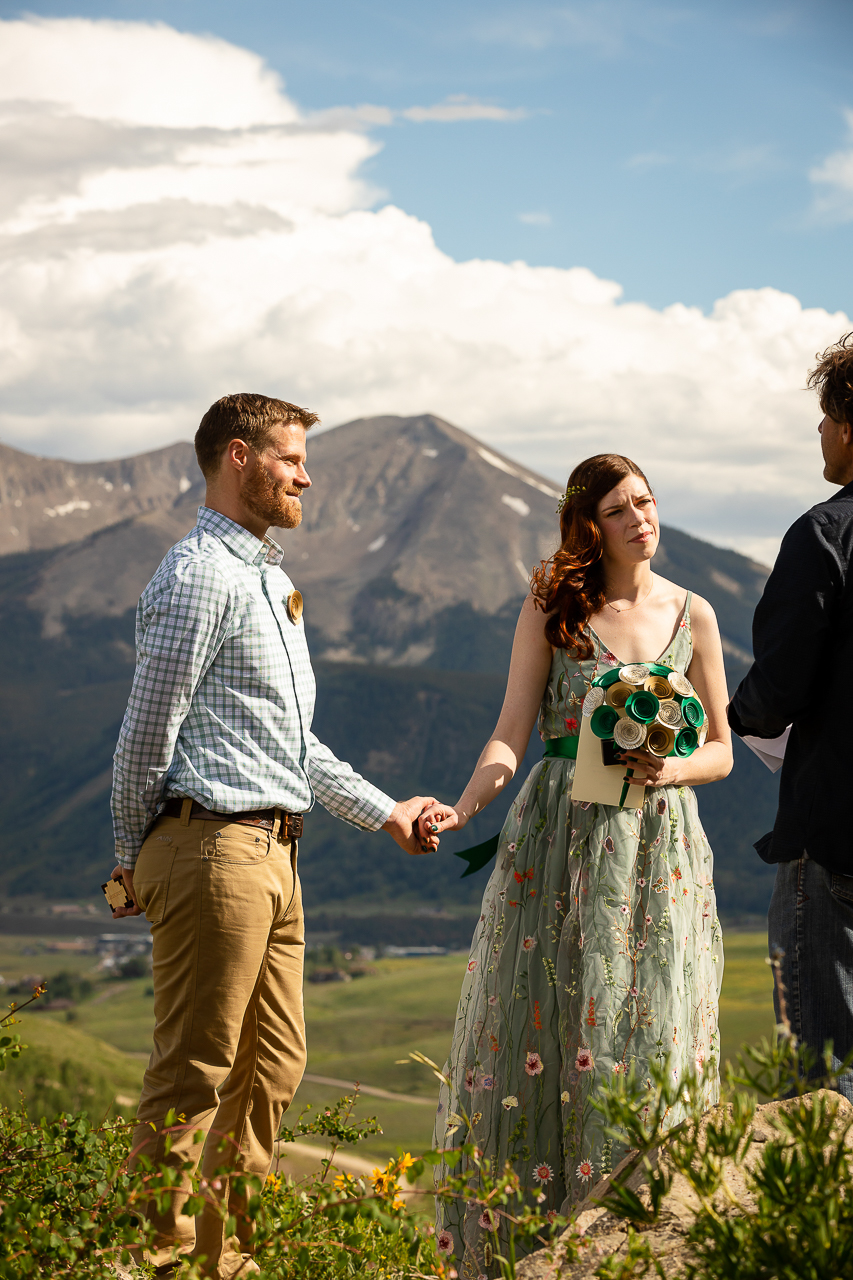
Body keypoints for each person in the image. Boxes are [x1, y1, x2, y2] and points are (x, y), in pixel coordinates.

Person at [109, 393, 435, 1279]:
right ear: (239, 458)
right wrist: (127, 855)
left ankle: (230, 1260)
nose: (306, 474)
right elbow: (147, 732)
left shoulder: (265, 577)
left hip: (274, 854)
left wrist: (386, 811)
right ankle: (158, 1257)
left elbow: (290, 747)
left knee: (273, 1072)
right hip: (211, 849)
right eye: (291, 458)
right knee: (197, 1070)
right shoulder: (199, 574)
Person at [417, 453, 732, 1278]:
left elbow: (723, 751)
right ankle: (538, 1239)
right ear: (589, 524)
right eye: (621, 508)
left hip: (656, 845)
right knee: (549, 1025)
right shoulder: (553, 604)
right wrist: (466, 803)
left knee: (652, 1025)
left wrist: (668, 768)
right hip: (558, 840)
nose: (641, 518)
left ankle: (649, 1233)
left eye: (648, 502)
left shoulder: (692, 613)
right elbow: (510, 731)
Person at [728, 332, 853, 1097]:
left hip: (835, 838)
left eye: (821, 416)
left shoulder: (824, 534)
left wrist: (721, 713)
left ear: (846, 426)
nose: (816, 433)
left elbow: (777, 688)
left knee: (823, 1084)